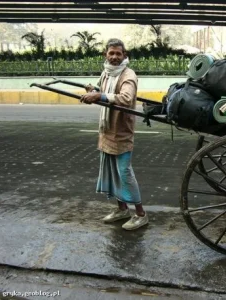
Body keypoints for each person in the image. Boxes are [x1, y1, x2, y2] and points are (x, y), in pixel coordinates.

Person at [80, 38, 148, 231]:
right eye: (112, 53)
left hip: (121, 131)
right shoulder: (106, 73)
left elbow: (125, 98)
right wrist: (95, 91)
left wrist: (99, 96)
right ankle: (122, 209)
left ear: (125, 55)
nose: (115, 57)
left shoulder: (128, 75)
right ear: (106, 55)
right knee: (111, 171)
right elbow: (104, 91)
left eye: (119, 53)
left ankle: (141, 214)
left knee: (124, 173)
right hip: (107, 130)